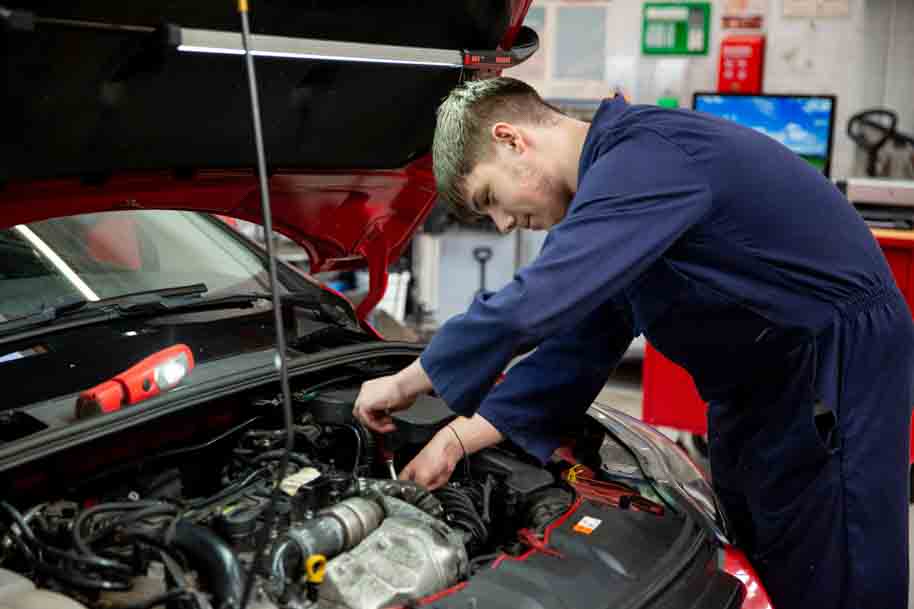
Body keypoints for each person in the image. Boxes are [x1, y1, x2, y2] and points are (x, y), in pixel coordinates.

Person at [352, 77, 914, 609]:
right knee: (758, 561)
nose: (502, 224)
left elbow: (537, 299)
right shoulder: (616, 194)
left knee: (836, 571)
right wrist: (451, 442)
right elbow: (573, 353)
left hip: (828, 373)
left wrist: (408, 380)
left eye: (489, 198)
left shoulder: (648, 157)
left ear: (511, 140)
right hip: (756, 390)